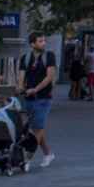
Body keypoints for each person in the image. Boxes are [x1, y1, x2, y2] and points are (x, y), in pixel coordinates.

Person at [19, 33, 57, 168]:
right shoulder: (25, 58)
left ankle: (27, 159)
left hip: (43, 98)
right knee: (36, 128)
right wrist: (20, 87)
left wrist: (35, 89)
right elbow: (21, 77)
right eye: (40, 41)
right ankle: (48, 154)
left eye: (44, 40)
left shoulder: (49, 56)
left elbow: (49, 77)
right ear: (32, 44)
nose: (44, 43)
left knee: (37, 129)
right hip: (29, 98)